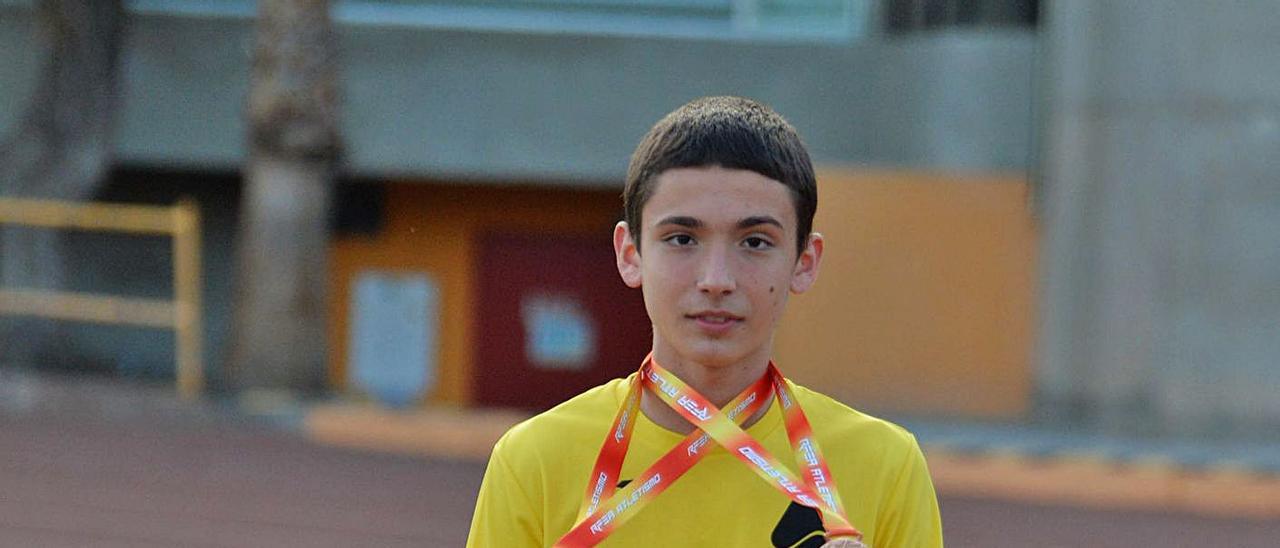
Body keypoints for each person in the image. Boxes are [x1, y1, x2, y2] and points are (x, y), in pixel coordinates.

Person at [466, 96, 943, 547]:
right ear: (630, 254)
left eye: (755, 242)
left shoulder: (885, 467)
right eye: (681, 239)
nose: (716, 280)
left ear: (804, 261)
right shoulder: (534, 462)